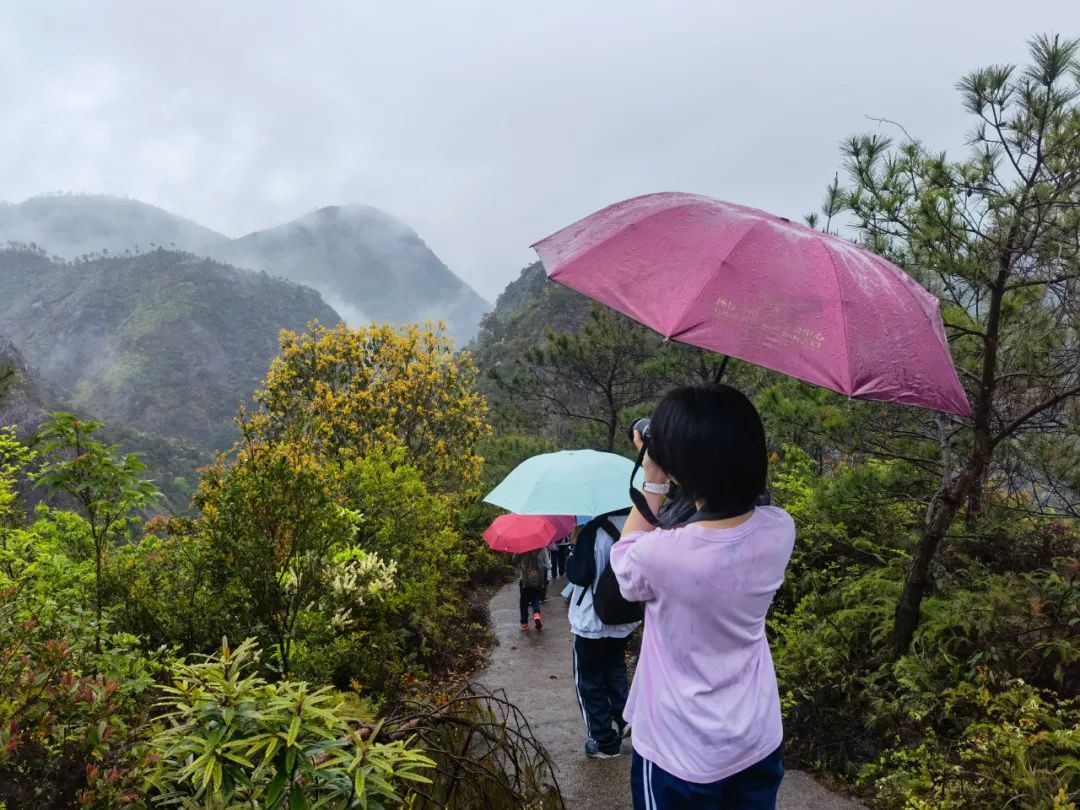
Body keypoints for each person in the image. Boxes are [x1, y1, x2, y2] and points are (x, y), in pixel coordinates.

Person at [610, 384, 795, 810]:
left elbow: (624, 565)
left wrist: (653, 479)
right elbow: (734, 514)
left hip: (680, 751)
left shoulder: (664, 555)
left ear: (682, 469)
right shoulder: (779, 529)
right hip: (756, 737)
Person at [565, 509, 640, 759]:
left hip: (592, 621)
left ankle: (605, 742)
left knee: (589, 680)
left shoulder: (592, 531)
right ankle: (625, 717)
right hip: (624, 616)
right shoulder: (640, 527)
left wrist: (574, 548)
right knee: (615, 669)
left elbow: (578, 575)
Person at [512, 545, 549, 631]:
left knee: (524, 601)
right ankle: (536, 613)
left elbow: (514, 561)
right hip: (538, 580)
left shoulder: (521, 547)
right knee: (535, 597)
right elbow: (548, 565)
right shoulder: (543, 548)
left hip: (524, 580)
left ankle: (524, 623)